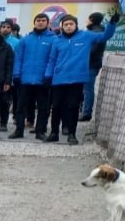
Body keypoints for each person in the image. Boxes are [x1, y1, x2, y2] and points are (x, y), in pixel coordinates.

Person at [44, 13, 118, 144]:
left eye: (71, 24)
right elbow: (52, 60)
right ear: (62, 26)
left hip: (77, 79)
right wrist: (48, 75)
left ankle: (72, 134)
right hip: (58, 79)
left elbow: (106, 36)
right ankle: (54, 132)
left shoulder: (86, 36)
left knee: (72, 107)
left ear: (76, 25)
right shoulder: (57, 40)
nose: (68, 26)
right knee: (56, 107)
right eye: (65, 24)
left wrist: (112, 24)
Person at [10, 13, 55, 140]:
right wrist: (16, 74)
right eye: (38, 20)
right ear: (34, 22)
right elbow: (18, 58)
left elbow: (53, 60)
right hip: (26, 79)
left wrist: (48, 75)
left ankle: (40, 131)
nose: (40, 22)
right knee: (20, 107)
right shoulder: (26, 39)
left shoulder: (53, 39)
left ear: (48, 23)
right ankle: (19, 130)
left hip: (43, 80)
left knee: (43, 108)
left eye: (43, 20)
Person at [79, 12, 108, 122]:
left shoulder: (96, 32)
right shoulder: (96, 31)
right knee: (85, 89)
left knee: (87, 89)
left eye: (88, 19)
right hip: (91, 63)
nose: (86, 21)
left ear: (91, 19)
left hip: (91, 64)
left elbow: (92, 50)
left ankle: (86, 113)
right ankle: (84, 110)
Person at [0, 20, 20, 131]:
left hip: (8, 75)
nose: (5, 29)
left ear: (11, 29)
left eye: (7, 27)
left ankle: (3, 123)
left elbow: (17, 60)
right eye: (3, 26)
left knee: (5, 101)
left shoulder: (16, 42)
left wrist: (13, 77)